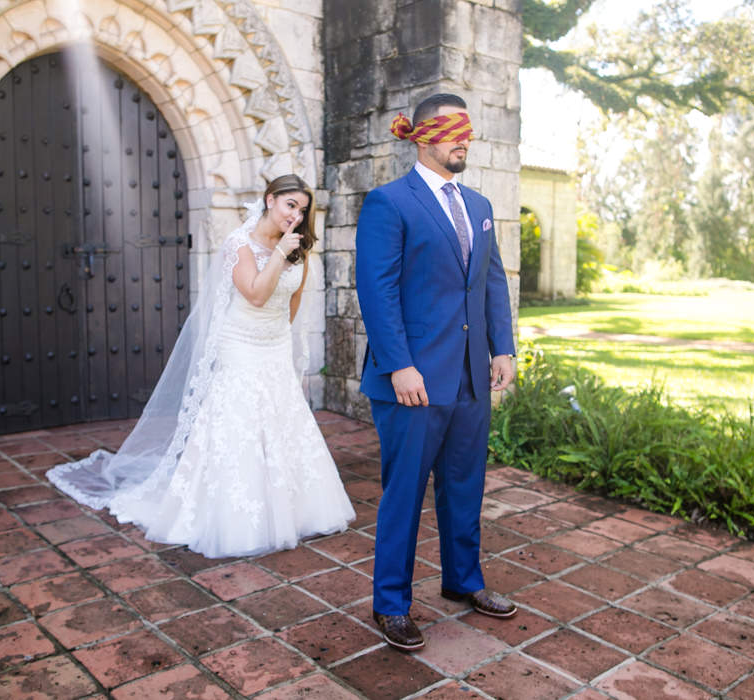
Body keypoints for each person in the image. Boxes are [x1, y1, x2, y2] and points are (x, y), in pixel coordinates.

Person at [48, 174, 354, 558]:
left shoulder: (298, 250)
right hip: (238, 343)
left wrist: (276, 334)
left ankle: (290, 507)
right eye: (290, 205)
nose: (296, 216)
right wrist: (278, 256)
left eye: (303, 210)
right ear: (270, 199)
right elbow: (257, 295)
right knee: (240, 420)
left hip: (273, 345)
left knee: (281, 417)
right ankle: (236, 515)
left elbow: (289, 306)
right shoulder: (237, 245)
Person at [355, 93, 518, 651]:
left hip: (472, 375)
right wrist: (399, 365)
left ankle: (463, 582)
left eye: (467, 131)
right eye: (453, 131)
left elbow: (492, 280)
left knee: (464, 485)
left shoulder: (478, 204)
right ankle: (392, 605)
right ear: (423, 135)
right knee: (404, 492)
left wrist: (504, 347)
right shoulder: (388, 203)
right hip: (413, 380)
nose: (463, 141)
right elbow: (376, 293)